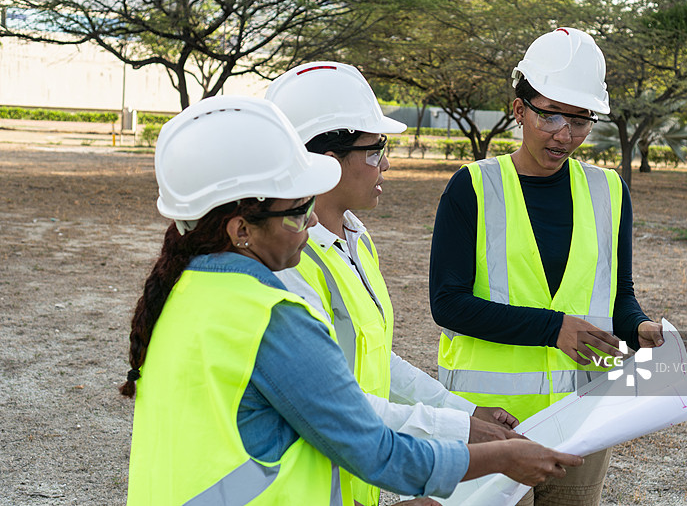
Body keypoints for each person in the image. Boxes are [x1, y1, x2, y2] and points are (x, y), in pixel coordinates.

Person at [120, 95, 583, 505]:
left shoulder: (187, 288)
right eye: (298, 211)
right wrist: (499, 456)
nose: (309, 223)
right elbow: (371, 447)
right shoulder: (268, 316)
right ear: (240, 230)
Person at [266, 61, 522, 506]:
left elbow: (375, 359)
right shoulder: (289, 262)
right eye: (375, 149)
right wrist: (462, 432)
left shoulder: (356, 238)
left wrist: (462, 410)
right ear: (327, 165)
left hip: (350, 482)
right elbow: (337, 403)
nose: (386, 162)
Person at [429, 27, 665, 506]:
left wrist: (637, 326)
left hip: (582, 418)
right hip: (494, 423)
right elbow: (447, 304)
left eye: (580, 120)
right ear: (519, 110)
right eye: (551, 115)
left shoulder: (610, 191)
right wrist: (551, 328)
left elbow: (617, 293)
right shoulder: (472, 187)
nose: (565, 134)